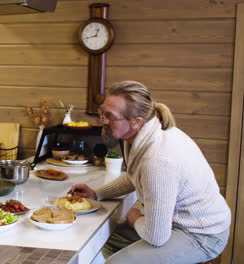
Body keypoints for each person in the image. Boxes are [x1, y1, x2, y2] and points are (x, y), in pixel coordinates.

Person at [69, 81, 231, 264]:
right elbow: (134, 176)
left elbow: (156, 237)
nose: (102, 121)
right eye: (102, 112)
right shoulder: (144, 135)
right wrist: (97, 193)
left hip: (201, 235)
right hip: (175, 224)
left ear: (135, 122)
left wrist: (135, 218)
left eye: (110, 116)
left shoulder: (158, 159)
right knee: (108, 239)